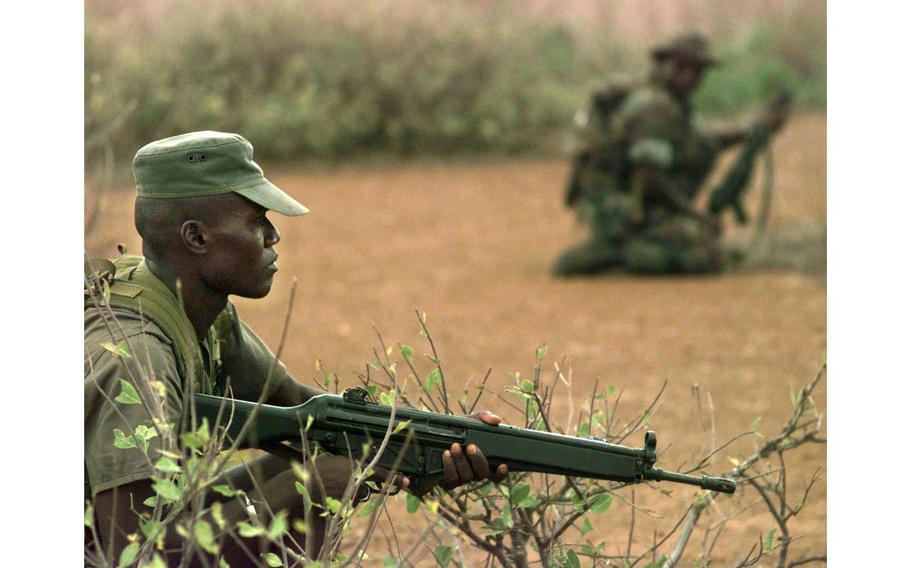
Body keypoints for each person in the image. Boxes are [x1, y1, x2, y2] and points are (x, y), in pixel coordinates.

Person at [84, 131, 508, 565]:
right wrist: (308, 486)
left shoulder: (189, 308)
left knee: (318, 461)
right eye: (255, 222)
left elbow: (306, 416)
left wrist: (437, 444)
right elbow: (135, 555)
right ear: (196, 237)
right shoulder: (133, 357)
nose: (273, 236)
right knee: (304, 487)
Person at [553, 32, 789, 276]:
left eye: (697, 72)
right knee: (705, 255)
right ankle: (615, 253)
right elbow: (650, 180)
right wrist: (695, 216)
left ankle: (630, 242)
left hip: (622, 203)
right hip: (620, 210)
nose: (691, 78)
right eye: (683, 68)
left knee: (703, 237)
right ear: (666, 66)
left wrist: (754, 129)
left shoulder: (666, 101)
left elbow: (702, 141)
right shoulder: (656, 109)